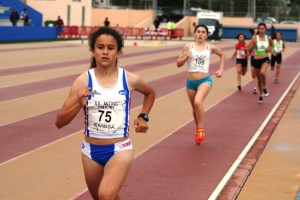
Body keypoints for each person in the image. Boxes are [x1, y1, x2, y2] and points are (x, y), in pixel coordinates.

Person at [55, 27, 155, 200]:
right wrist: (80, 104)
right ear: (93, 51)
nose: (105, 52)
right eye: (100, 47)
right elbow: (59, 122)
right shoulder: (83, 81)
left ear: (119, 51)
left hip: (120, 148)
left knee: (106, 195)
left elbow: (150, 93)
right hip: (90, 151)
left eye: (110, 48)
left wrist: (143, 116)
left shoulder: (129, 79)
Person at [176, 24, 225, 145]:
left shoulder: (210, 47)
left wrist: (221, 70)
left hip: (205, 80)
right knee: (194, 108)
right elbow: (178, 64)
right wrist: (185, 57)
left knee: (198, 102)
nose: (200, 34)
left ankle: (201, 130)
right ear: (194, 34)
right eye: (198, 31)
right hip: (190, 82)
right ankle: (198, 129)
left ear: (206, 35)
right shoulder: (188, 46)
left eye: (203, 32)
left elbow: (222, 55)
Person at [246, 23, 273, 104]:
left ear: (265, 30)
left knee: (262, 72)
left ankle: (265, 88)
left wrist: (269, 49)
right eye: (260, 29)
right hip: (256, 59)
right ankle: (261, 95)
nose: (261, 30)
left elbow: (272, 45)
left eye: (263, 29)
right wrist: (251, 51)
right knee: (259, 79)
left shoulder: (268, 38)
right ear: (258, 29)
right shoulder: (255, 38)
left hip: (265, 58)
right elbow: (247, 47)